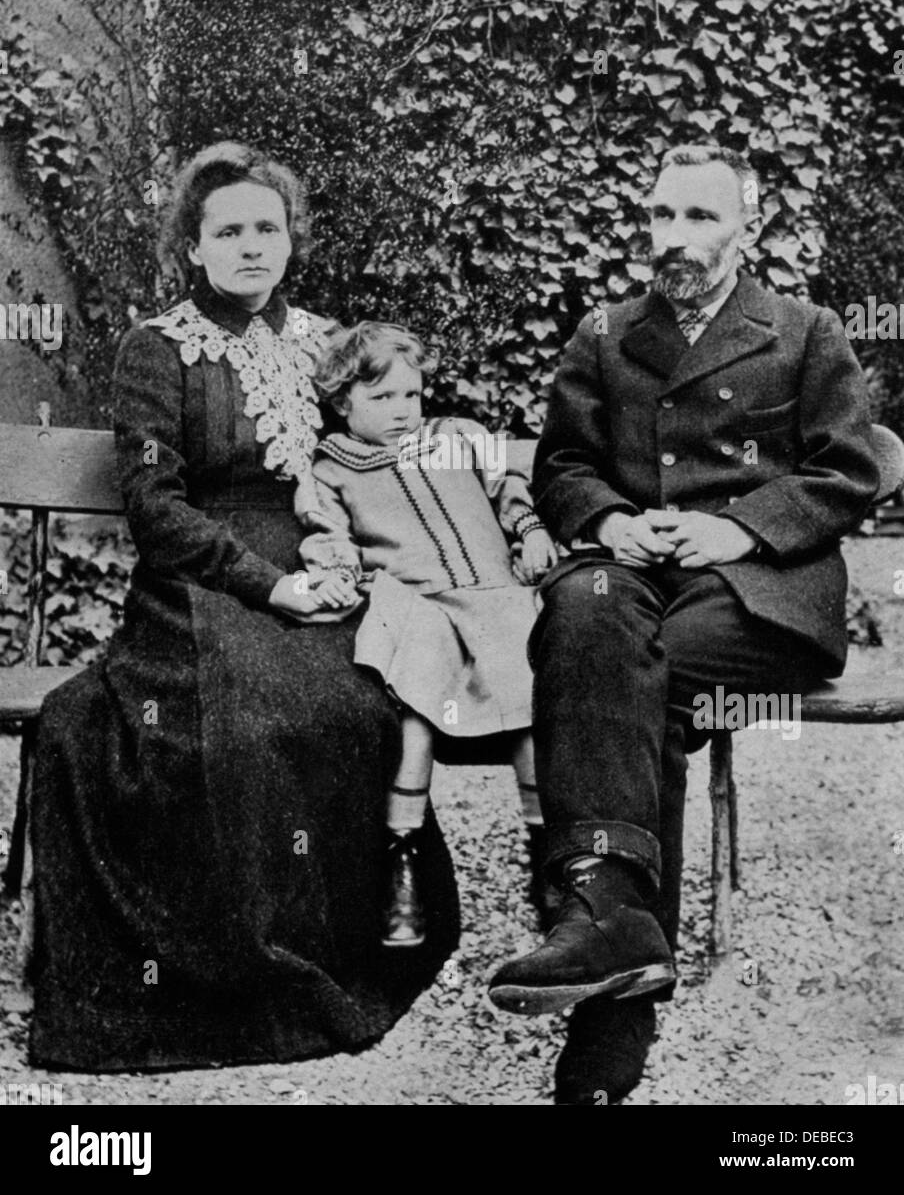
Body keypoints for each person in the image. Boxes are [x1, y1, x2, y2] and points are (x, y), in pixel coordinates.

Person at [24, 143, 459, 1072]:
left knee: (354, 700)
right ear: (194, 246)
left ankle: (354, 941)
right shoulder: (158, 348)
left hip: (325, 566)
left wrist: (349, 560)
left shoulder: (332, 342)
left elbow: (381, 455)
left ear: (292, 238)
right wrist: (269, 585)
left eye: (268, 227)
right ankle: (234, 981)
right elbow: (155, 504)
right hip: (201, 583)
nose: (252, 246)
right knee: (242, 722)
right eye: (229, 231)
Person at [487, 144, 879, 1105]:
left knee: (629, 677)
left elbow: (849, 472)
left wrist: (731, 525)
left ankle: (604, 963)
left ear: (750, 227)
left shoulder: (804, 331)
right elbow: (563, 467)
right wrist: (614, 521)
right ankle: (622, 947)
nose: (677, 240)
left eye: (700, 219)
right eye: (662, 218)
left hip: (757, 586)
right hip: (635, 571)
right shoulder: (606, 334)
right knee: (584, 608)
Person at [295, 322, 560, 946]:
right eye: (381, 398)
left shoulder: (456, 439)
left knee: (530, 689)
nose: (401, 411)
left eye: (410, 396)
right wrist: (335, 569)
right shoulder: (333, 470)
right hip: (416, 605)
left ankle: (549, 849)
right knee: (414, 700)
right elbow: (327, 536)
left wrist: (530, 533)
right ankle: (402, 855)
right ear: (342, 403)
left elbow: (509, 487)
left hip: (496, 594)